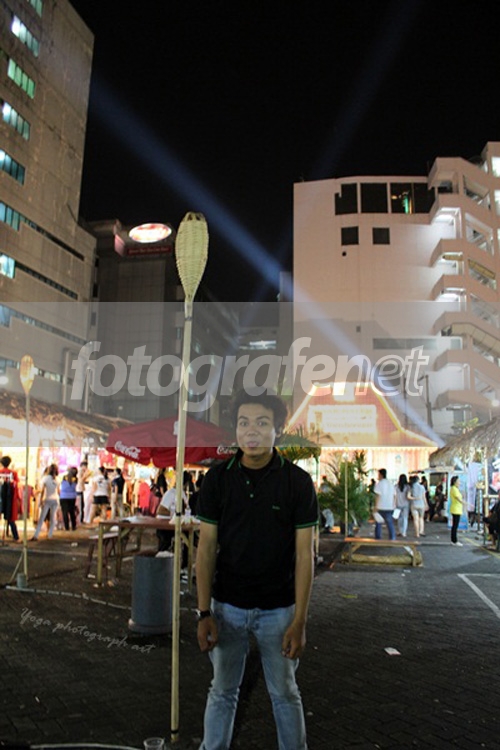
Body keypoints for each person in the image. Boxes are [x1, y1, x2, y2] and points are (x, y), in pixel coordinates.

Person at [196, 390, 319, 750]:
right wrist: (204, 612)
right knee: (222, 690)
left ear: (277, 430)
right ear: (235, 428)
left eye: (262, 423)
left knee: (285, 693)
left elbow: (305, 555)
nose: (252, 430)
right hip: (227, 607)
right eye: (244, 422)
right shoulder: (217, 479)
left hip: (279, 610)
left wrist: (300, 620)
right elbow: (205, 548)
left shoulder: (297, 482)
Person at [156, 471, 190, 566]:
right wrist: (174, 513)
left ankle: (184, 565)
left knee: (188, 537)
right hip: (164, 526)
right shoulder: (170, 493)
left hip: (176, 525)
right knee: (166, 542)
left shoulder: (182, 494)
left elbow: (185, 510)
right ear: (186, 483)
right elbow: (160, 511)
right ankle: (161, 563)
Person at [32, 464, 59, 540]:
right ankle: (50, 534)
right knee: (52, 517)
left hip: (47, 499)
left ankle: (36, 535)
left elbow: (43, 490)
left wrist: (41, 500)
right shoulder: (57, 479)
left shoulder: (45, 479)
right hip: (55, 499)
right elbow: (58, 491)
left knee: (42, 518)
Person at [0, 456, 21, 542]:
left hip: (1, 496)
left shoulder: (0, 472)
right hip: (10, 497)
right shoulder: (13, 473)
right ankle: (16, 537)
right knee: (10, 516)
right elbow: (17, 485)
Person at [374, 468, 395, 540]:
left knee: (378, 523)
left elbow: (378, 496)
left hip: (380, 506)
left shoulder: (379, 484)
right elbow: (394, 495)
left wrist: (375, 506)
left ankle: (378, 537)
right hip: (390, 506)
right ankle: (392, 537)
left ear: (381, 475)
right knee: (390, 523)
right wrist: (394, 504)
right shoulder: (391, 483)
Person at [59, 467, 78, 531]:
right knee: (72, 512)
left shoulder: (64, 477)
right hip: (72, 497)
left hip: (63, 496)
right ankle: (73, 526)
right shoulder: (75, 479)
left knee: (65, 512)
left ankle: (66, 527)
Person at [449, 475, 464, 546]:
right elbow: (458, 499)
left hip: (457, 509)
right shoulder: (454, 489)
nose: (459, 482)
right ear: (455, 482)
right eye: (458, 481)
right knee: (455, 526)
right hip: (456, 509)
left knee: (455, 525)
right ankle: (454, 540)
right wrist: (466, 504)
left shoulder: (455, 489)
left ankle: (454, 540)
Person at [394, 474, 411, 538]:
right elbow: (408, 496)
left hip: (398, 504)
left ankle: (399, 531)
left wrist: (394, 503)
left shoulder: (396, 486)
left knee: (399, 518)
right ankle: (404, 532)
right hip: (405, 504)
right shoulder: (408, 487)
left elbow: (394, 496)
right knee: (405, 518)